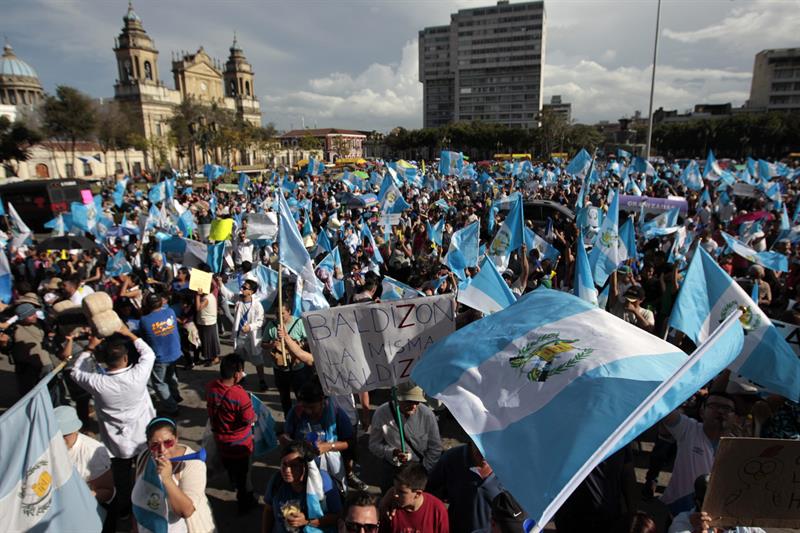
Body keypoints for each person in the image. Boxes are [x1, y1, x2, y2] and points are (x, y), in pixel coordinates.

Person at [70, 323, 156, 517]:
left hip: (115, 442)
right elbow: (148, 354)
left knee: (121, 478)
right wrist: (128, 333)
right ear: (126, 358)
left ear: (105, 361)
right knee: (145, 473)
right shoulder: (137, 376)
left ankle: (124, 510)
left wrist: (90, 346)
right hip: (143, 437)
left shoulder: (98, 383)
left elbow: (75, 372)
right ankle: (149, 504)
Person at [133, 417, 216, 533]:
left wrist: (167, 479)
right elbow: (138, 498)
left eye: (168, 442)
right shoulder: (144, 456)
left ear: (176, 439)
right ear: (148, 445)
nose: (162, 449)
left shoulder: (193, 464)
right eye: (155, 445)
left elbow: (186, 511)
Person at [661, 392, 738, 516]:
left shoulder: (737, 446)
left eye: (727, 409)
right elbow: (661, 406)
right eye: (713, 406)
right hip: (680, 510)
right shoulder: (688, 428)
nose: (720, 411)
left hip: (715, 517)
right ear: (702, 412)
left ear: (735, 418)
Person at [205, 355, 257, 514]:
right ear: (236, 375)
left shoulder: (212, 387)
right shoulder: (239, 394)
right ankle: (244, 502)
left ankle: (234, 482)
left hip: (220, 439)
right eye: (241, 371)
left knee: (231, 468)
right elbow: (249, 419)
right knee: (243, 475)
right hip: (239, 443)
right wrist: (255, 416)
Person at [281, 378, 354, 489]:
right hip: (301, 470)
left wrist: (329, 446)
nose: (308, 411)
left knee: (328, 494)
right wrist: (293, 444)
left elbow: (350, 442)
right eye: (304, 406)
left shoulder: (337, 414)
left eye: (312, 407)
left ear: (322, 401)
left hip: (328, 469)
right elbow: (286, 435)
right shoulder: (296, 412)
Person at [369, 382, 443, 492]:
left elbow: (435, 448)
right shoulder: (381, 413)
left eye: (417, 402)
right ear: (397, 398)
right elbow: (374, 445)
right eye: (409, 401)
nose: (414, 406)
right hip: (393, 469)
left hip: (420, 467)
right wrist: (392, 452)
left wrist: (423, 470)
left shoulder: (427, 414)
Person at [55, 405, 116, 533]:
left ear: (76, 430)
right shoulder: (49, 446)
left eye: (65, 434)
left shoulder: (93, 451)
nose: (59, 439)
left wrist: (76, 498)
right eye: (56, 434)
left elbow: (106, 491)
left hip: (95, 510)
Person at [262, 440, 343, 533]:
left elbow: (338, 516)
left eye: (294, 465)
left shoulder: (323, 481)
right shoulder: (277, 480)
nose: (287, 470)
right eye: (284, 464)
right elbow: (268, 510)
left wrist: (307, 521)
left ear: (306, 466)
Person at [427, 442, 506, 533]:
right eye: (480, 450)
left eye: (490, 448)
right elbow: (430, 494)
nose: (485, 455)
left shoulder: (511, 464)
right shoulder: (452, 459)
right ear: (471, 441)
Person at [265, 298, 315, 414]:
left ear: (289, 312)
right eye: (277, 313)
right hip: (280, 369)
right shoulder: (271, 325)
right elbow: (264, 344)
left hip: (298, 368)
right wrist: (272, 344)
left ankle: (303, 418)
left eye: (282, 313)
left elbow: (309, 342)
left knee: (301, 396)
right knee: (284, 396)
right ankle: (289, 419)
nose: (279, 316)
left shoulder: (298, 323)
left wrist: (298, 344)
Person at [140, 292, 183, 415]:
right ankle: (176, 396)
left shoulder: (144, 320)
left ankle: (172, 408)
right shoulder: (170, 312)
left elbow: (144, 339)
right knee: (171, 376)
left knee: (159, 383)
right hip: (174, 352)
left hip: (160, 357)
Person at [378, 463, 449, 533]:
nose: (395, 494)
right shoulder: (390, 508)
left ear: (417, 494)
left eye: (401, 492)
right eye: (395, 488)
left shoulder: (437, 510)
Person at [232, 279, 266, 388]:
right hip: (240, 336)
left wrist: (250, 327)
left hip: (252, 336)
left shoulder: (257, 305)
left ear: (251, 292)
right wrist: (220, 284)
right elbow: (228, 295)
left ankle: (261, 380)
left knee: (257, 359)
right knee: (240, 357)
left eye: (245, 288)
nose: (242, 289)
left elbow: (261, 321)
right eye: (242, 286)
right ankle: (241, 376)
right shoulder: (238, 300)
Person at [195, 285, 220, 366]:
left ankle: (215, 359)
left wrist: (197, 296)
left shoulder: (206, 299)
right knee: (209, 342)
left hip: (207, 323)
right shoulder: (210, 296)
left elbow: (198, 308)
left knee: (209, 342)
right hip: (208, 322)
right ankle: (211, 358)